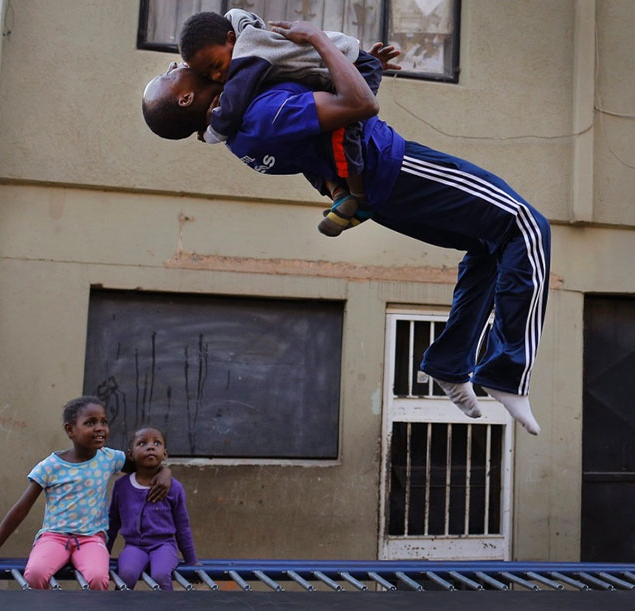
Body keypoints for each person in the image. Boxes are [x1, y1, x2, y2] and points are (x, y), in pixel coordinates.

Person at [141, 20, 550, 436]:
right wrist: (318, 39)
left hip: (381, 191)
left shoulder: (242, 122)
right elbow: (359, 105)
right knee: (525, 225)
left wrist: (350, 62)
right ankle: (507, 372)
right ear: (186, 95)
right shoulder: (261, 115)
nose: (175, 64)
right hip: (396, 166)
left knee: (490, 246)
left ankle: (450, 360)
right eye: (169, 74)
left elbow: (328, 114)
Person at [179, 9, 400, 236]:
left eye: (216, 65)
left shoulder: (249, 48)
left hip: (357, 66)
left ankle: (360, 200)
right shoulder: (243, 55)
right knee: (303, 144)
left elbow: (232, 106)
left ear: (231, 38)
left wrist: (211, 131)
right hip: (335, 74)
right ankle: (340, 196)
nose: (217, 76)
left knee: (345, 132)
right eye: (208, 76)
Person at [0, 396, 172, 589]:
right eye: (90, 422)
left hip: (91, 539)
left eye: (104, 422)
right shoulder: (50, 467)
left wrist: (165, 471)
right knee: (35, 574)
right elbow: (20, 510)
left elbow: (144, 463)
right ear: (70, 430)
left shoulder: (109, 458)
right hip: (54, 537)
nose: (100, 428)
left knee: (97, 578)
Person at [106, 426, 197, 590]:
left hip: (164, 546)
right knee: (126, 574)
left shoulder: (174, 488)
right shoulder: (122, 486)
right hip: (134, 546)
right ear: (131, 455)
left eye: (157, 443)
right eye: (142, 443)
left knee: (160, 575)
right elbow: (112, 522)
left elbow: (182, 526)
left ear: (165, 454)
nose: (150, 446)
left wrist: (192, 561)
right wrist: (104, 553)